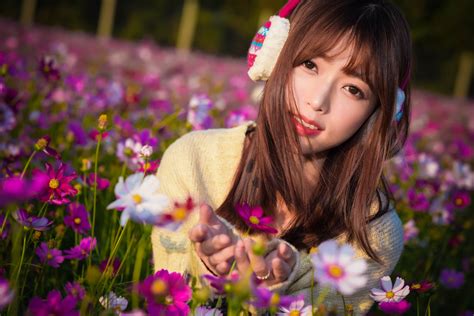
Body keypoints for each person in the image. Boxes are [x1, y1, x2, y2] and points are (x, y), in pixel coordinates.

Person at [151, 0, 411, 314]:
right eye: (310, 65)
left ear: (379, 114)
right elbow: (165, 301)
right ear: (273, 57)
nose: (317, 101)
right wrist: (210, 267)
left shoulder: (374, 232)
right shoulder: (192, 160)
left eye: (353, 89)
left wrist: (272, 290)